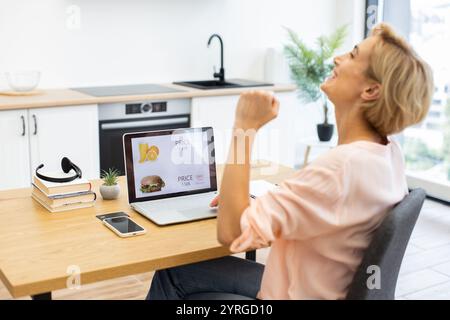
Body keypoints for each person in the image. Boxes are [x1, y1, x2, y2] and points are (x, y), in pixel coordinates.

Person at [146, 23, 434, 300]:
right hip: (322, 288)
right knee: (178, 272)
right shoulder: (388, 152)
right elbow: (328, 205)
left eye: (353, 55)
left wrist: (244, 126)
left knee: (171, 275)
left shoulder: (338, 169)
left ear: (371, 90)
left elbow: (231, 233)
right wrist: (255, 201)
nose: (337, 57)